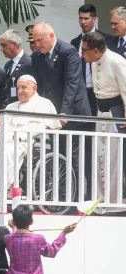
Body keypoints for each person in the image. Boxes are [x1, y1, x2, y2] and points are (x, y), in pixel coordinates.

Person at [0, 75, 62, 197]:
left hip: (25, 142)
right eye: (18, 88)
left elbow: (49, 127)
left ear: (34, 88)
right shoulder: (11, 106)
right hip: (3, 140)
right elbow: (0, 129)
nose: (20, 91)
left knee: (5, 151)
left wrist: (21, 136)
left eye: (23, 87)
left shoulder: (44, 104)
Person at [31, 22, 93, 198]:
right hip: (53, 113)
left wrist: (64, 112)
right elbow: (40, 87)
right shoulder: (36, 56)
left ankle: (77, 197)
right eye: (35, 40)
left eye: (40, 40)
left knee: (74, 157)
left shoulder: (68, 51)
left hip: (74, 112)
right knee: (58, 155)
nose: (37, 44)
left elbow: (72, 84)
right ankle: (61, 196)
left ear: (51, 35)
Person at [81, 32, 126, 204]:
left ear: (96, 51)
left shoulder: (117, 61)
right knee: (99, 156)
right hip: (101, 114)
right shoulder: (93, 61)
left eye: (85, 51)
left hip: (116, 116)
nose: (82, 54)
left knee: (113, 160)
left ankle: (114, 202)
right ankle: (100, 200)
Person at [70, 4, 111, 117]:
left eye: (86, 18)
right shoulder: (74, 43)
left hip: (100, 90)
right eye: (80, 18)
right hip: (81, 92)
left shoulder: (106, 40)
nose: (83, 22)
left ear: (94, 19)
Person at [0, 29, 35, 104]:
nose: (1, 49)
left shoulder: (30, 63)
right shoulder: (8, 65)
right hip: (9, 108)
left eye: (4, 45)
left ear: (14, 44)